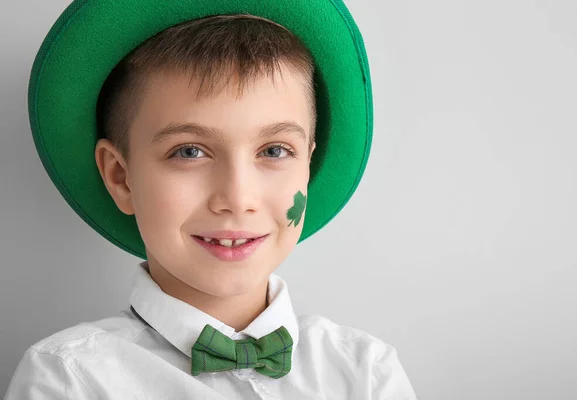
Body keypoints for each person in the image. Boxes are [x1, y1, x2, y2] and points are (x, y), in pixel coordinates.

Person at [4, 1, 417, 399]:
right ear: (120, 176)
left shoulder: (367, 372)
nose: (237, 199)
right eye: (189, 152)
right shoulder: (69, 379)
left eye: (274, 151)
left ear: (307, 167)